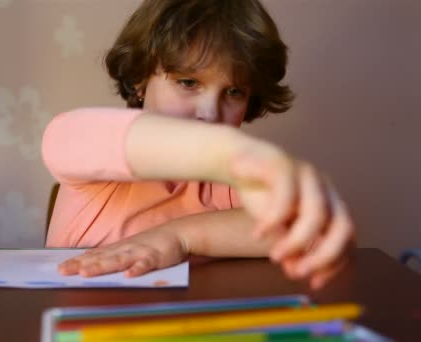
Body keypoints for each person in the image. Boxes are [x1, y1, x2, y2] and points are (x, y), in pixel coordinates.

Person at [41, 0, 355, 289]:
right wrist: (234, 155)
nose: (209, 113)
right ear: (139, 80)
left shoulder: (233, 183)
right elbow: (64, 135)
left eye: (233, 92)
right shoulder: (94, 159)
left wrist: (181, 237)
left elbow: (321, 226)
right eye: (188, 82)